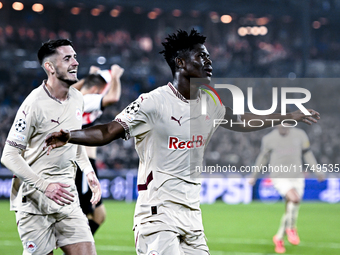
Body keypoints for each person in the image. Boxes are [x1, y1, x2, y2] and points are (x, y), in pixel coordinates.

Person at [44, 29, 320, 255]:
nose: (209, 62)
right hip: (158, 215)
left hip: (192, 214)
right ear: (180, 63)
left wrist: (288, 115)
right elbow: (108, 131)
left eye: (208, 57)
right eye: (201, 57)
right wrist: (70, 135)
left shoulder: (210, 100)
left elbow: (240, 120)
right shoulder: (153, 102)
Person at [1, 39, 101, 255]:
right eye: (68, 58)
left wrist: (88, 171)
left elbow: (74, 140)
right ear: (50, 67)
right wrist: (45, 186)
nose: (75, 62)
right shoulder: (33, 104)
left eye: (74, 57)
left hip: (68, 199)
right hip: (36, 202)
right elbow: (9, 155)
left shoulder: (77, 98)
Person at [249, 125, 325, 254]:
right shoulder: (269, 138)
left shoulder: (300, 134)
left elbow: (307, 153)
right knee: (294, 198)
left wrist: (317, 171)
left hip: (297, 176)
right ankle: (291, 228)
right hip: (279, 176)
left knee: (291, 207)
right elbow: (263, 158)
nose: (283, 126)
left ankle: (279, 238)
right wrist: (254, 176)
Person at [72, 64, 124, 235]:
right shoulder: (85, 101)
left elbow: (73, 89)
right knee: (83, 215)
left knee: (99, 215)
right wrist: (115, 76)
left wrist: (89, 76)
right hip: (81, 164)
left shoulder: (78, 98)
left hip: (89, 162)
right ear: (95, 89)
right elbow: (113, 97)